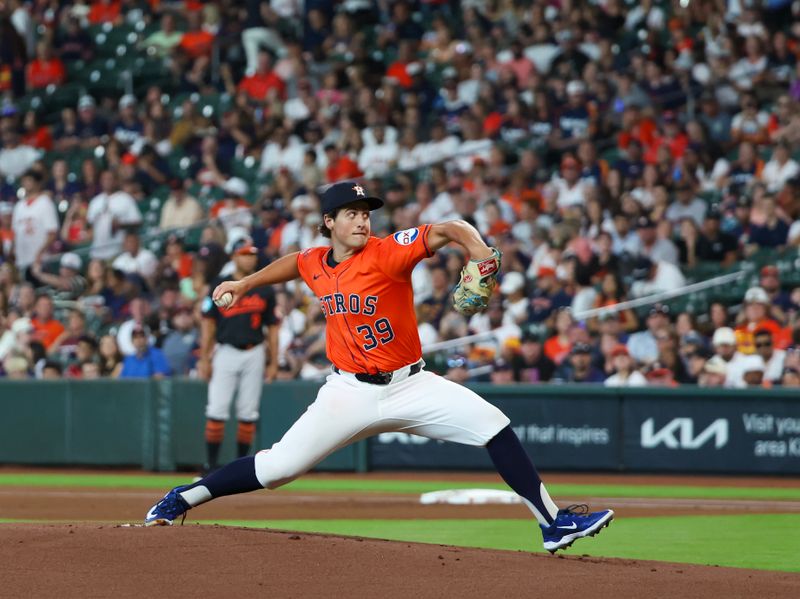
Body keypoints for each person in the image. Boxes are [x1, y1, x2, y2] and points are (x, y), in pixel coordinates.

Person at [145, 181, 613, 553]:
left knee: (493, 425)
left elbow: (449, 227)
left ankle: (552, 523)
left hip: (412, 383)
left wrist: (479, 252)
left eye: (366, 212)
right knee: (277, 468)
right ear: (328, 222)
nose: (362, 220)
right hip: (348, 393)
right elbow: (295, 263)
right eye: (351, 213)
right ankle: (186, 496)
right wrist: (245, 282)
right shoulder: (315, 262)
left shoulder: (388, 251)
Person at [197, 236, 280, 476]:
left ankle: (239, 469)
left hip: (254, 351)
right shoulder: (220, 283)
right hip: (225, 351)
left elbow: (273, 328)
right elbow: (208, 324)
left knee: (248, 411)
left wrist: (273, 362)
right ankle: (210, 468)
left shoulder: (264, 287)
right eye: (244, 253)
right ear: (234, 256)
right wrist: (204, 358)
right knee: (216, 409)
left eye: (252, 253)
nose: (249, 257)